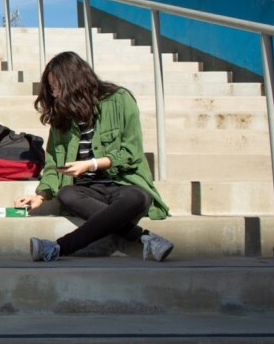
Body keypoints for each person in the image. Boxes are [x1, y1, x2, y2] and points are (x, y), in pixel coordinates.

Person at [14, 51, 174, 262]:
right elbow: (53, 163)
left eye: (57, 87)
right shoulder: (62, 118)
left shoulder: (119, 100)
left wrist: (91, 164)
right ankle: (145, 238)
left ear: (73, 81)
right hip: (88, 191)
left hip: (124, 184)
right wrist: (41, 196)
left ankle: (58, 247)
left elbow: (132, 153)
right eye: (51, 89)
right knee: (67, 194)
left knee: (137, 197)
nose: (54, 94)